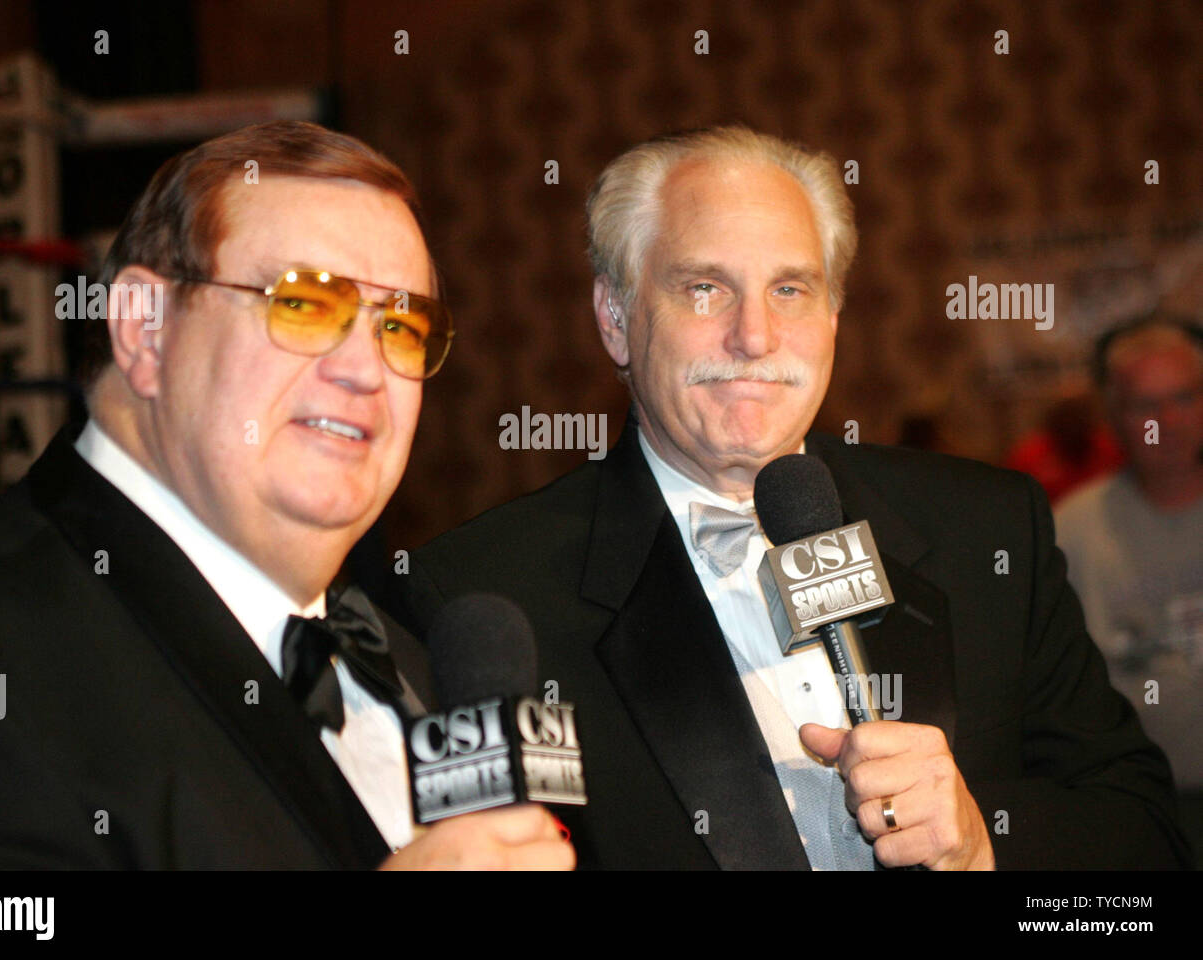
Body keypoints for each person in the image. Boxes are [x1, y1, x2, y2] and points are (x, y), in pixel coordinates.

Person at [398, 125, 1190, 870]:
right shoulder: (482, 594)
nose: (755, 336)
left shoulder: (989, 530)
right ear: (615, 319)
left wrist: (984, 844)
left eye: (791, 289)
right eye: (705, 288)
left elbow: (1144, 850)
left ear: (835, 316)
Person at [0, 121, 573, 871]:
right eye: (305, 303)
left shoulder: (416, 661)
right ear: (144, 331)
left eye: (403, 324)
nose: (365, 369)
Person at [1056, 317, 1203, 859]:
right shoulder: (1073, 528)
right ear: (1114, 417)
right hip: (1138, 817)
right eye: (1145, 405)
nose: (1166, 422)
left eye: (1184, 397)